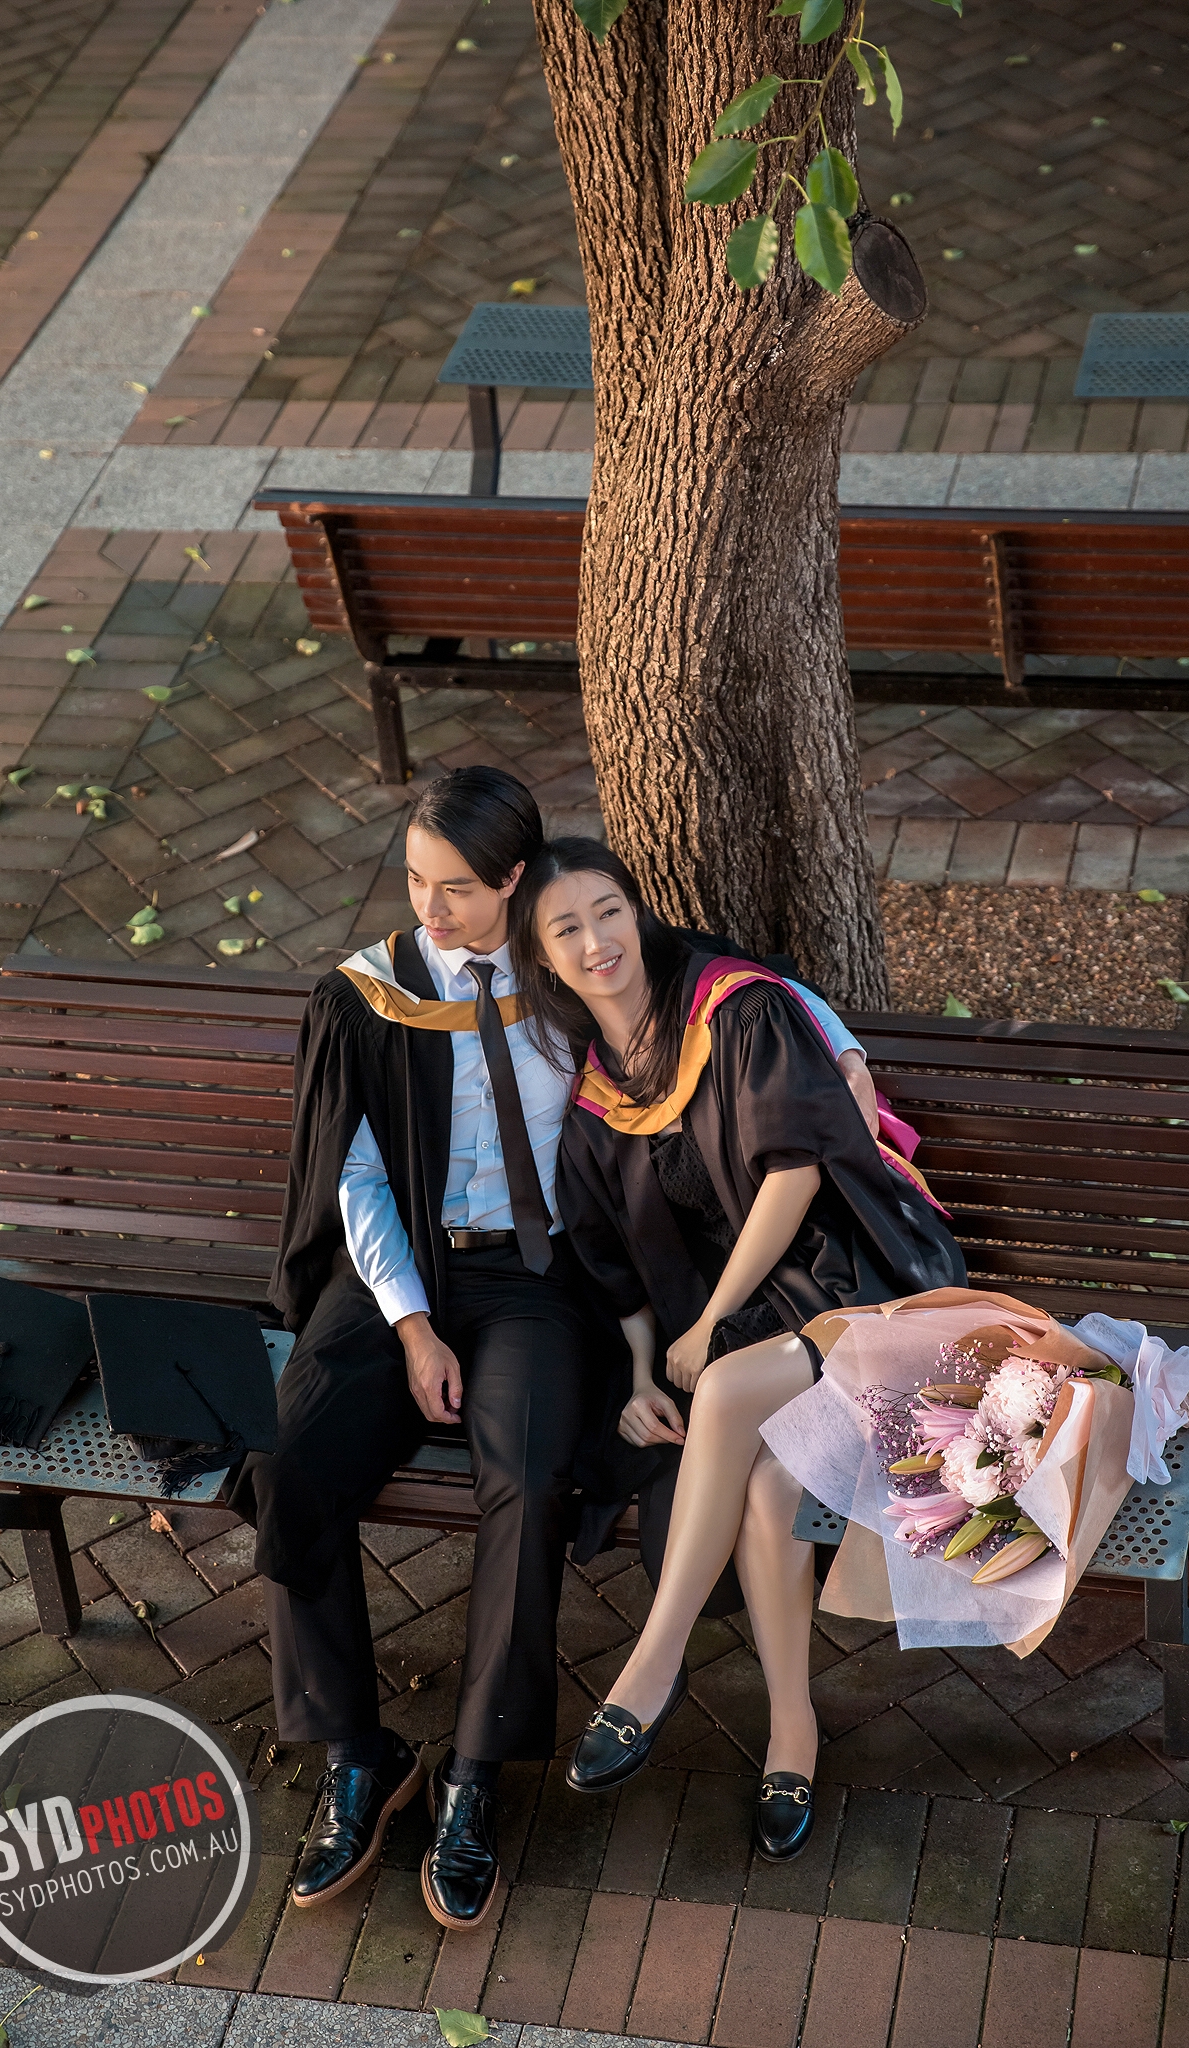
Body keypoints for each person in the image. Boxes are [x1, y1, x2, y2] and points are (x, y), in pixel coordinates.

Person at [508, 839, 965, 1862]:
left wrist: (710, 1320)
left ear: (637, 910)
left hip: (855, 1276)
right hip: (753, 1322)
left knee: (720, 1390)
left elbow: (797, 1172)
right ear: (541, 957)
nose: (596, 940)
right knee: (765, 1488)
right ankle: (793, 1730)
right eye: (566, 928)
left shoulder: (734, 1009)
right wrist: (638, 1375)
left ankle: (652, 1662)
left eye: (608, 910)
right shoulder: (598, 1093)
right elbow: (616, 1266)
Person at [230, 768, 592, 1934]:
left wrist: (838, 1047)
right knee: (287, 1457)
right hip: (400, 1273)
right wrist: (412, 1322)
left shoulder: (578, 963)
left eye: (458, 890)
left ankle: (473, 1771)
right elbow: (356, 1176)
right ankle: (358, 1749)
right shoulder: (369, 996)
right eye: (416, 882)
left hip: (533, 1278)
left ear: (516, 879)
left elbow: (741, 986)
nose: (430, 911)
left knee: (526, 1478)